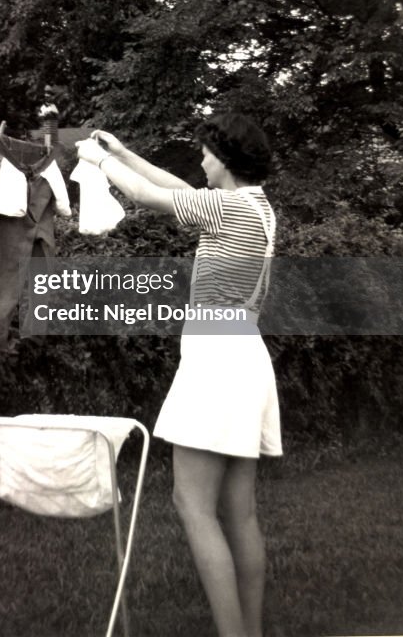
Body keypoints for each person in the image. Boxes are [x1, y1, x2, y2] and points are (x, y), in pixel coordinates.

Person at [76, 112, 281, 637]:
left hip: (218, 361)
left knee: (192, 504)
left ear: (227, 159)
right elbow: (177, 191)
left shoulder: (230, 206)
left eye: (208, 153)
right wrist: (121, 154)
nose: (202, 160)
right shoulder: (254, 206)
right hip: (245, 355)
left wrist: (94, 159)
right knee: (240, 515)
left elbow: (148, 198)